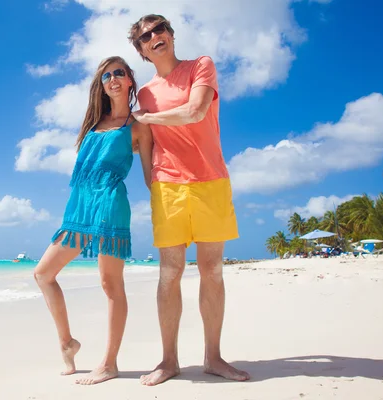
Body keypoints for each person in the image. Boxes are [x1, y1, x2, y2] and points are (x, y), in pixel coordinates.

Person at [126, 14, 251, 385]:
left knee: (212, 271)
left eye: (158, 29)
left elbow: (196, 111)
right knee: (170, 273)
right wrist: (153, 181)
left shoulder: (201, 65)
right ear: (143, 51)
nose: (154, 37)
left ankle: (213, 357)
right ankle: (168, 361)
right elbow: (144, 144)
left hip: (211, 180)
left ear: (170, 34)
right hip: (168, 186)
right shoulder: (145, 94)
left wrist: (147, 119)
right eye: (145, 37)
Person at [33, 56, 153, 385]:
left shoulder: (138, 123)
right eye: (106, 76)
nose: (112, 79)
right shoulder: (94, 123)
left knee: (110, 285)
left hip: (110, 203)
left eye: (119, 73)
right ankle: (67, 343)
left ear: (130, 79)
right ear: (100, 85)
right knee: (43, 273)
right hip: (79, 207)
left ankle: (110, 362)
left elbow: (150, 174)